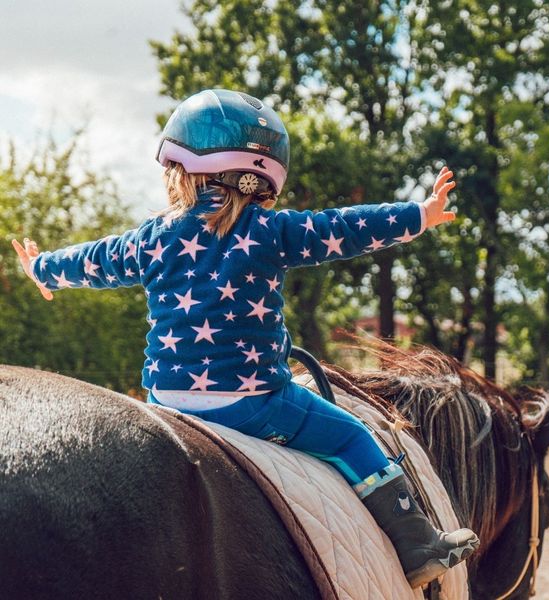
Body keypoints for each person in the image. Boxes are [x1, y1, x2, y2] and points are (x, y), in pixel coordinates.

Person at [13, 89, 479, 588]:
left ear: (179, 169)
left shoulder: (152, 236)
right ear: (264, 178)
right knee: (351, 436)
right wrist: (420, 216)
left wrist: (43, 269)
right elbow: (344, 227)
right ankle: (417, 545)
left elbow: (97, 260)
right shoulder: (271, 231)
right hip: (253, 403)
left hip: (166, 401)